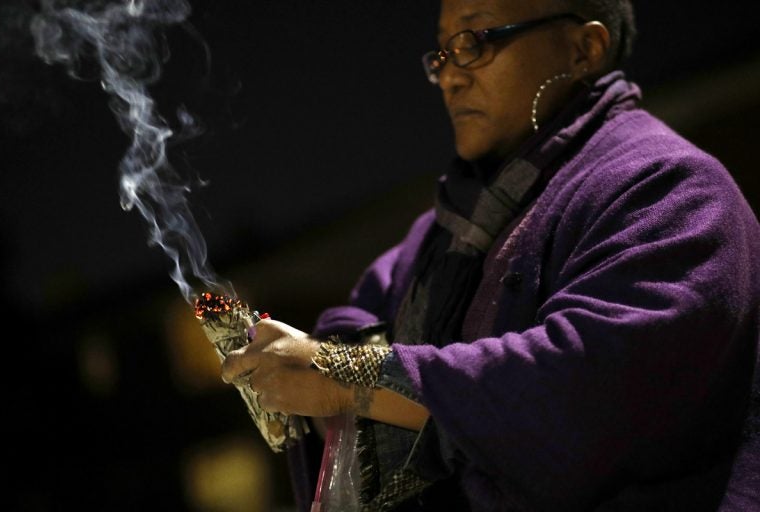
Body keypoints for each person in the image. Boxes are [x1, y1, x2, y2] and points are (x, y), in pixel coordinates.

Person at [220, 0, 760, 510]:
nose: (451, 76)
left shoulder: (670, 189)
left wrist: (343, 375)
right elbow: (357, 318)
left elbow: (586, 389)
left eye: (475, 41)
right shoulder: (446, 227)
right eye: (442, 52)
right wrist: (295, 366)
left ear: (583, 50)